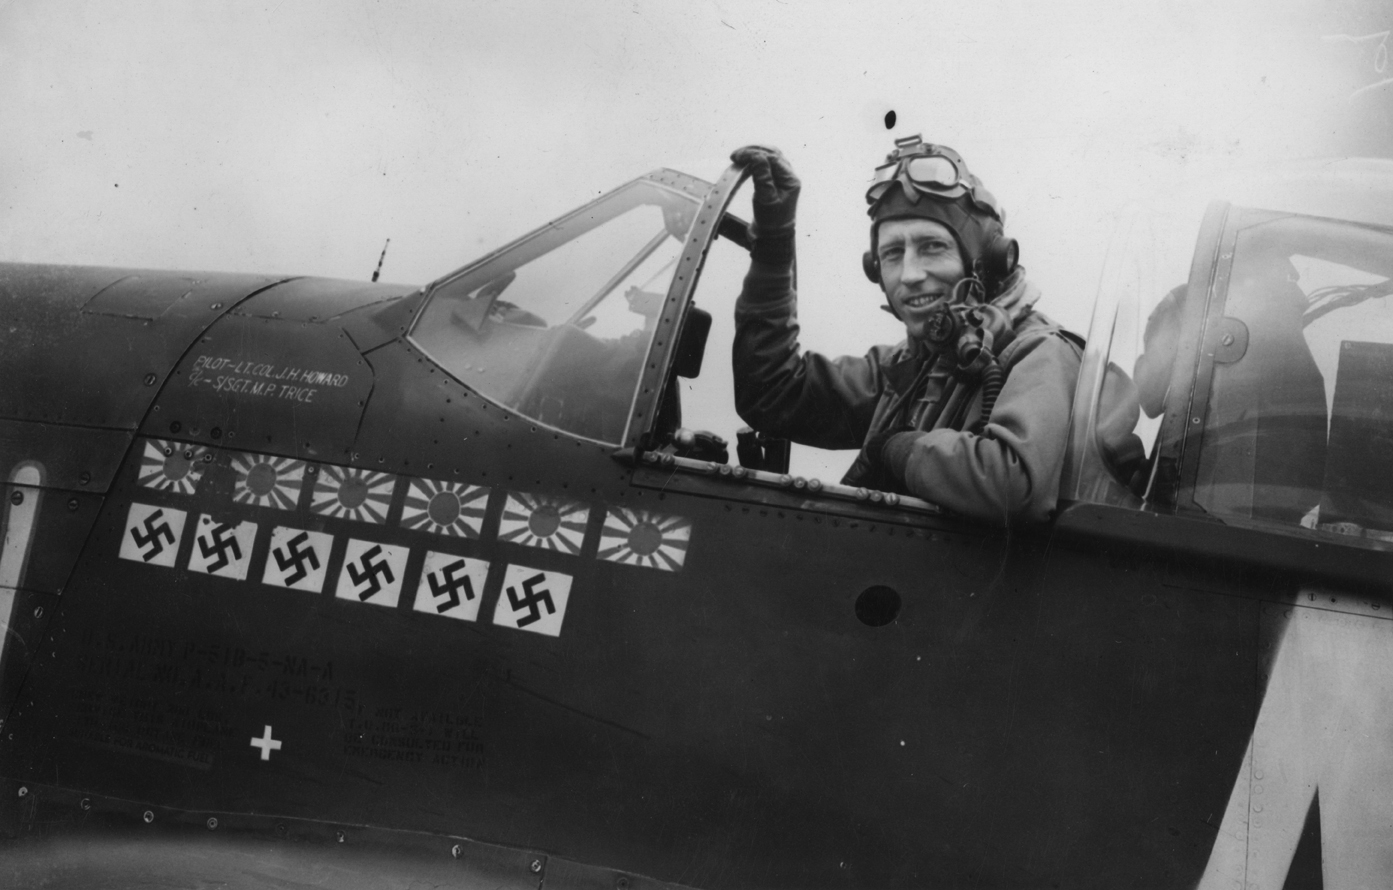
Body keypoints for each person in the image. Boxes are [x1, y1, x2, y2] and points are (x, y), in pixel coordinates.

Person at [730, 137, 1082, 524]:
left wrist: (898, 448)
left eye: (932, 247)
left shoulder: (1041, 352)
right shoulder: (906, 367)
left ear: (985, 262)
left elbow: (1015, 484)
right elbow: (773, 393)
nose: (910, 275)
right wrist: (774, 247)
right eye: (893, 254)